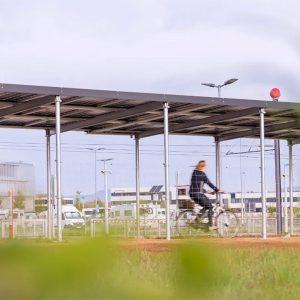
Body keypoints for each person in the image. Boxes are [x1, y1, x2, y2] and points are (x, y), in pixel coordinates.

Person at [189, 160, 222, 230]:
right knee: (210, 206)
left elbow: (196, 185)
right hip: (197, 194)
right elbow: (209, 183)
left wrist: (207, 192)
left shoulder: (194, 173)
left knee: (206, 206)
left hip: (192, 194)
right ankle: (210, 225)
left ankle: (196, 221)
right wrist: (217, 190)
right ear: (203, 167)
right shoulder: (202, 174)